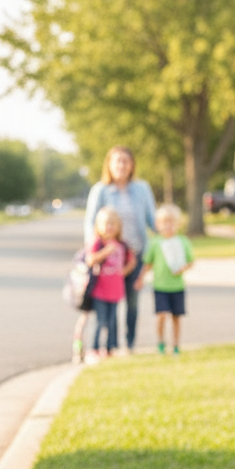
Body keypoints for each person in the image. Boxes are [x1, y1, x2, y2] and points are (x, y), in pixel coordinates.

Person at [82, 145, 157, 354]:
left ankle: (130, 344)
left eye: (126, 161)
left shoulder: (142, 188)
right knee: (109, 302)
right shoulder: (101, 190)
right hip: (109, 259)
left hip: (135, 254)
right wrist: (93, 251)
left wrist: (167, 239)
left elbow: (152, 219)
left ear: (132, 165)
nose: (122, 165)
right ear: (110, 164)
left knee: (132, 303)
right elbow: (90, 222)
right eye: (117, 161)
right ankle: (109, 346)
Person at [141, 204, 195, 355]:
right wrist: (140, 279)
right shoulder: (155, 242)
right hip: (160, 286)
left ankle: (176, 345)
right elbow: (148, 263)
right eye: (164, 222)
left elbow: (191, 261)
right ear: (158, 224)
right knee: (161, 315)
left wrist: (182, 268)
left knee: (176, 317)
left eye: (171, 222)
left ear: (177, 224)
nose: (168, 226)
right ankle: (160, 342)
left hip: (177, 286)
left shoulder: (183, 242)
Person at [83, 207, 135, 362]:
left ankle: (111, 348)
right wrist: (105, 251)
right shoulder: (97, 243)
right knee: (100, 321)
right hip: (99, 290)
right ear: (98, 226)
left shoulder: (122, 245)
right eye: (105, 224)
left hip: (116, 291)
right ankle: (94, 348)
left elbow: (132, 261)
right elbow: (90, 260)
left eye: (113, 224)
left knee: (112, 321)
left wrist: (123, 271)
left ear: (118, 226)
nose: (109, 227)